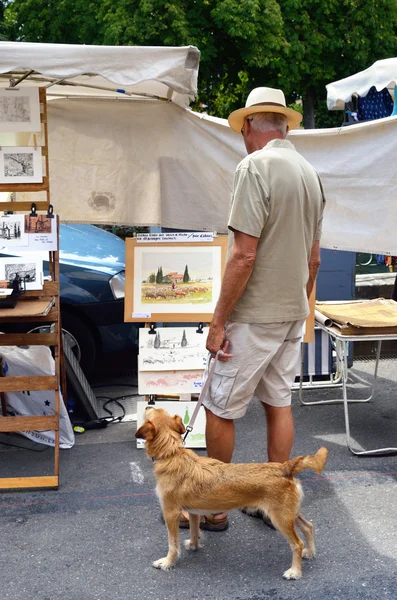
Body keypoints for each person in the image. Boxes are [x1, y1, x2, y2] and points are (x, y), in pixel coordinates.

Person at [197, 87, 326, 532]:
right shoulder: (310, 173)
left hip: (254, 313)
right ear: (285, 125)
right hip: (293, 309)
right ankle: (275, 502)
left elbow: (243, 255)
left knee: (220, 407)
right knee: (279, 403)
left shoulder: (254, 166)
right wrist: (299, 302)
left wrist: (217, 322)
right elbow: (314, 259)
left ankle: (214, 509)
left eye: (242, 129)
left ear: (251, 125)